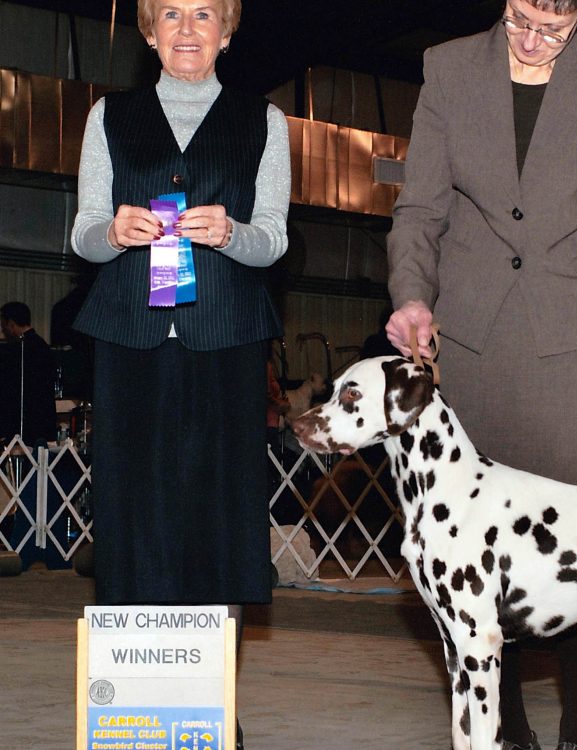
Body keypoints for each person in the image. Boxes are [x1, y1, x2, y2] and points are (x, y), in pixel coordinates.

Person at [385, 2, 577, 748]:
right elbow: (420, 208)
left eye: (553, 28)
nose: (532, 40)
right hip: (476, 336)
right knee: (481, 542)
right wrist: (412, 295)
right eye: (519, 18)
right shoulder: (448, 68)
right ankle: (506, 723)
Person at [70, 2, 290, 746]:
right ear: (149, 31)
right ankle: (137, 709)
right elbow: (83, 232)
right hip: (128, 340)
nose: (187, 29)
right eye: (171, 13)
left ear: (227, 31)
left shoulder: (265, 121)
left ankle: (208, 705)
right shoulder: (108, 116)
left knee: (219, 521)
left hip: (226, 340)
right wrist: (112, 231)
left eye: (204, 14)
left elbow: (274, 239)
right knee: (132, 518)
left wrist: (232, 233)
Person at [0, 301, 57, 448]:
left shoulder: (16, 349)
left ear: (11, 324)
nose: (3, 330)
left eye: (4, 325)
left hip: (21, 422)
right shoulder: (43, 346)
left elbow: (8, 388)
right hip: (43, 420)